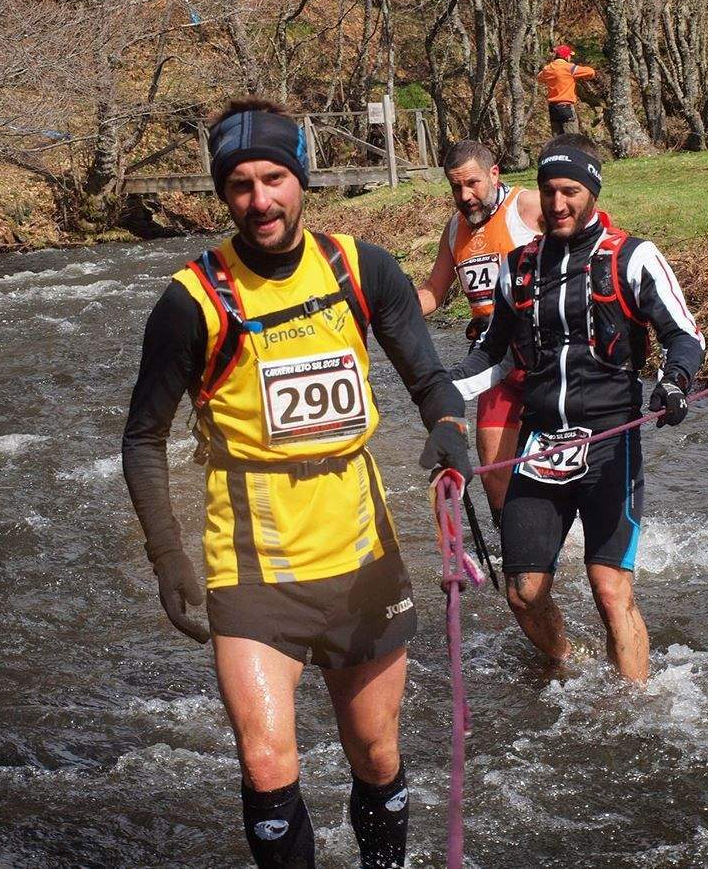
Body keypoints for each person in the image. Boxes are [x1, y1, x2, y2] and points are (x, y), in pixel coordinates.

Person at [121, 97, 471, 869]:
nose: (260, 200)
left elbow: (431, 381)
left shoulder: (361, 268)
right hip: (252, 566)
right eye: (240, 185)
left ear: (301, 178)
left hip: (361, 552)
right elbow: (142, 438)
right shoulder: (192, 301)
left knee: (376, 752)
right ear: (223, 192)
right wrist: (168, 557)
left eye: (274, 179)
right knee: (267, 760)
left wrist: (450, 429)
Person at [448, 134, 705, 683]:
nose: (558, 203)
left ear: (592, 191)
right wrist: (442, 392)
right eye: (549, 191)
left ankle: (637, 707)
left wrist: (675, 382)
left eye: (570, 191)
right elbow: (492, 354)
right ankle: (572, 667)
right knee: (523, 593)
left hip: (611, 441)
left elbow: (684, 336)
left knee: (609, 588)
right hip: (541, 446)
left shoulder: (633, 257)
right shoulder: (517, 267)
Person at [418, 141, 543, 525]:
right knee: (492, 469)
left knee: (558, 466)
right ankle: (511, 542)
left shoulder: (528, 206)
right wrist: (384, 308)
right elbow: (433, 292)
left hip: (544, 357)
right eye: (456, 187)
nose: (465, 196)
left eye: (472, 183)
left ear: (494, 173)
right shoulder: (454, 228)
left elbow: (588, 231)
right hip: (491, 361)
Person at [536, 45, 596, 135]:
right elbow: (591, 72)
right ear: (566, 56)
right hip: (566, 107)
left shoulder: (547, 69)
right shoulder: (570, 68)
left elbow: (539, 78)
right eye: (570, 56)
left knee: (557, 140)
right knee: (571, 138)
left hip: (552, 108)